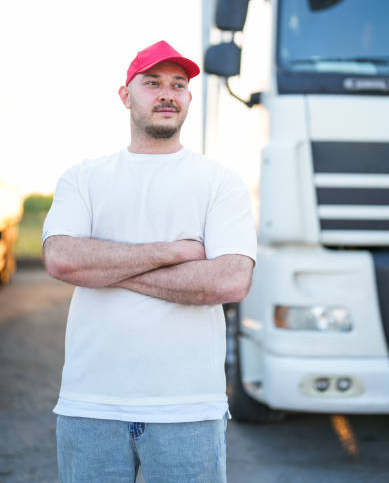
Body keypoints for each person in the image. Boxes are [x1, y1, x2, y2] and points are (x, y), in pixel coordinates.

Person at [42, 39, 256, 483]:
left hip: (188, 409)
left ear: (188, 99)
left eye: (178, 85)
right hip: (91, 405)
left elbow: (230, 281)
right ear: (126, 95)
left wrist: (106, 267)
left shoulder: (220, 181)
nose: (167, 93)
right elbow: (62, 259)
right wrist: (173, 252)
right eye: (152, 82)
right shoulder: (83, 177)